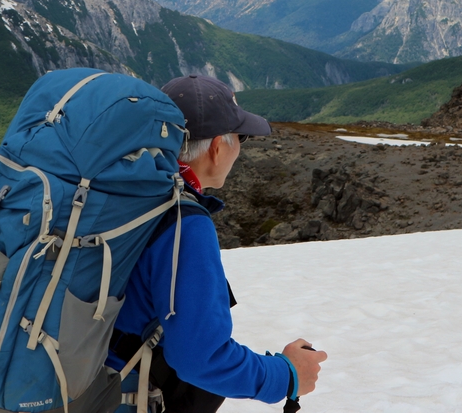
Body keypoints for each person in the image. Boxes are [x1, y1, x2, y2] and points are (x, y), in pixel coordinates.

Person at [106, 74, 327, 413]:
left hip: (76, 384)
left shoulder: (121, 193)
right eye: (241, 137)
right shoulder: (182, 221)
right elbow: (201, 357)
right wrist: (286, 374)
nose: (240, 147)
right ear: (216, 146)